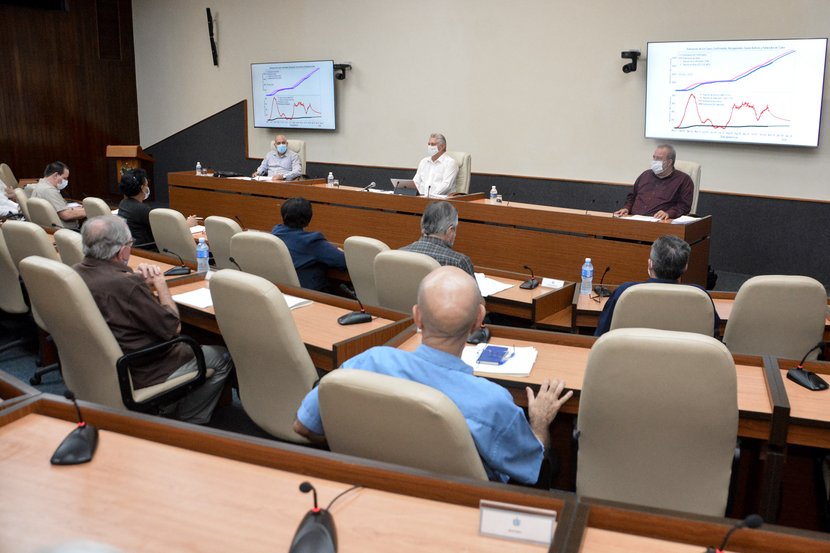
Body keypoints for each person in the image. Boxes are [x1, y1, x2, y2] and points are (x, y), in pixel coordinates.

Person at [293, 266, 573, 485]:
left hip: (371, 490)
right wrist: (539, 422)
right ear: (479, 320)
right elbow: (534, 469)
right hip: (460, 512)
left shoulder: (367, 362)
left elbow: (304, 427)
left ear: (416, 317)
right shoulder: (495, 404)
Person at [74, 215, 233, 424]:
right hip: (147, 368)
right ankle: (189, 421)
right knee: (222, 356)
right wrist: (160, 285)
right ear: (122, 251)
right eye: (130, 245)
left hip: (104, 363)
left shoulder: (76, 272)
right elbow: (173, 327)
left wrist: (135, 280)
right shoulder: (126, 285)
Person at [594, 234, 720, 337]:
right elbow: (713, 336)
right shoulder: (700, 296)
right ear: (685, 267)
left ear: (650, 264)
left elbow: (601, 336)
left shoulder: (625, 292)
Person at [271, 197, 346, 291]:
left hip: (282, 290)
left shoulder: (276, 232)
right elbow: (343, 261)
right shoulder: (311, 241)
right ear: (308, 218)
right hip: (310, 294)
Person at [117, 168, 198, 249]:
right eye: (146, 185)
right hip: (147, 252)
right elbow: (166, 231)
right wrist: (187, 224)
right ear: (142, 188)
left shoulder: (123, 203)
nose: (147, 188)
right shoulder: (142, 210)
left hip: (132, 249)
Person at [614, 144, 693, 221]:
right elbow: (632, 196)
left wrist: (668, 213)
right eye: (654, 157)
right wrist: (626, 208)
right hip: (634, 219)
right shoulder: (645, 175)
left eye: (658, 158)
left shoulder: (683, 180)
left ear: (669, 162)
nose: (655, 161)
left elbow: (684, 206)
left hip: (660, 223)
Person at [401, 200, 474, 276]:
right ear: (450, 231)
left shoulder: (400, 254)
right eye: (455, 230)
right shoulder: (459, 262)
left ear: (422, 226)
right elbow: (472, 288)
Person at [29, 161, 86, 229]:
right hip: (66, 232)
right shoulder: (49, 190)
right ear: (56, 175)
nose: (66, 181)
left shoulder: (41, 185)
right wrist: (90, 211)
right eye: (65, 178)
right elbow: (66, 215)